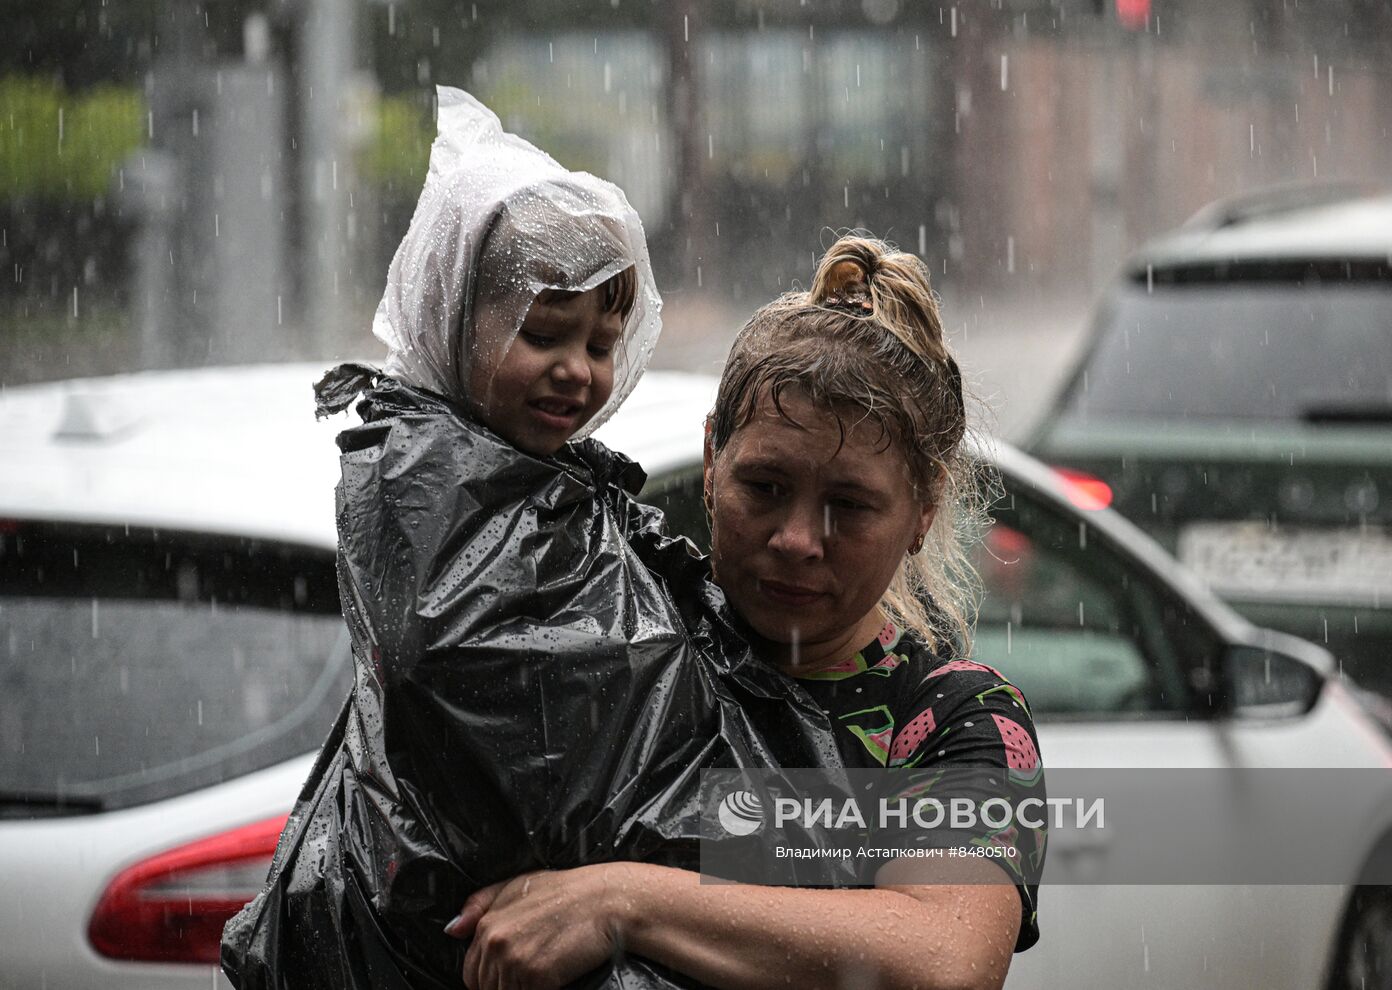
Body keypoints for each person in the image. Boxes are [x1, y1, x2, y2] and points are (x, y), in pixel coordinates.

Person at [221, 88, 848, 990]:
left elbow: (949, 948)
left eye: (602, 345)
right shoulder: (432, 482)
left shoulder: (553, 490)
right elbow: (540, 743)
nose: (577, 371)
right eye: (542, 333)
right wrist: (774, 856)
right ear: (451, 312)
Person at [444, 235, 1044, 990]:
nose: (796, 540)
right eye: (763, 487)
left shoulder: (956, 719)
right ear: (710, 463)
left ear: (922, 510)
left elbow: (942, 959)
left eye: (849, 506)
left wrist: (621, 901)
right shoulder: (623, 640)